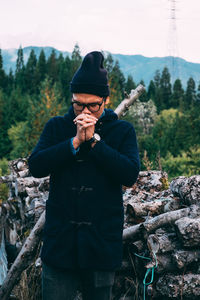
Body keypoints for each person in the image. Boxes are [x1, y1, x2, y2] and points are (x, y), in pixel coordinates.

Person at [28, 51, 140, 300]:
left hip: (100, 245)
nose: (85, 110)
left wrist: (96, 144)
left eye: (93, 105)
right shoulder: (57, 126)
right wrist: (75, 142)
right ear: (72, 99)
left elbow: (130, 174)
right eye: (79, 103)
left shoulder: (122, 130)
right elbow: (36, 166)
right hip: (60, 246)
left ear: (106, 100)